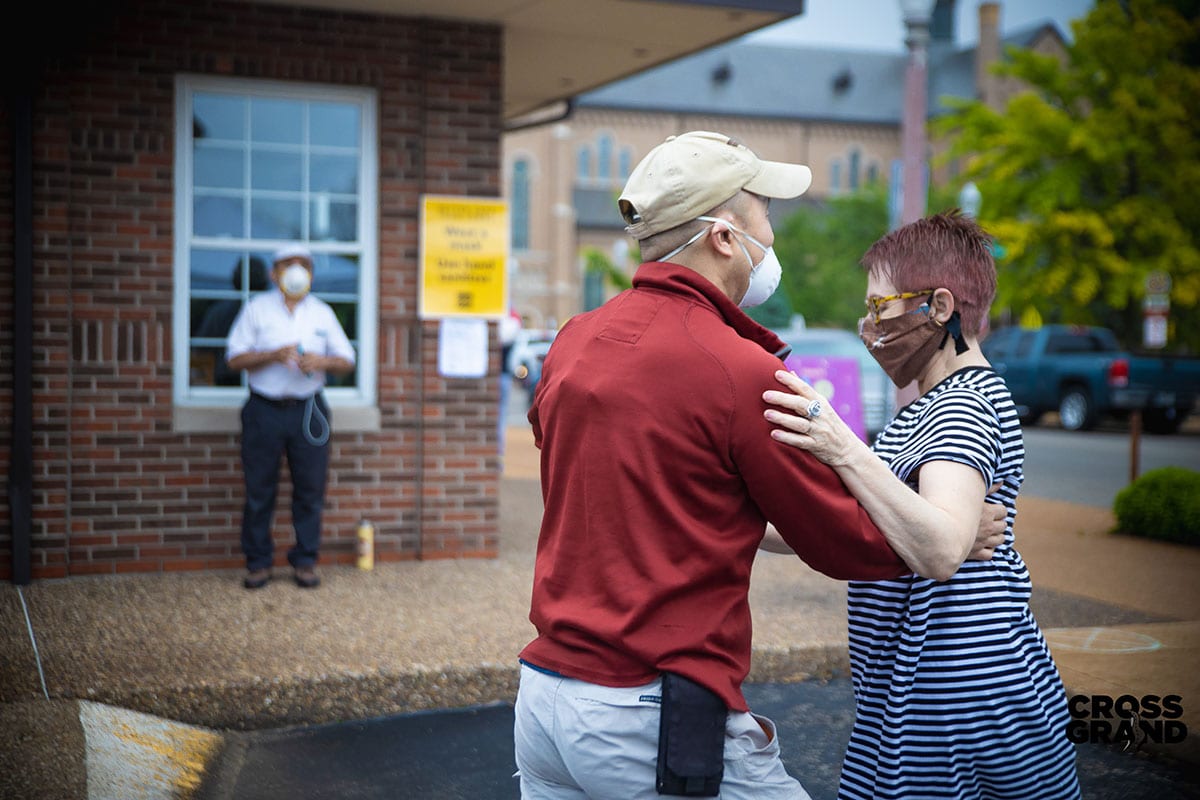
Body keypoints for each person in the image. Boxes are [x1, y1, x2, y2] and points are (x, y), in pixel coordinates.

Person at [512, 132, 1006, 800]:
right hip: (646, 716)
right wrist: (942, 533)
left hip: (542, 703)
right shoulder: (740, 370)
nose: (771, 236)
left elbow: (646, 488)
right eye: (764, 214)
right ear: (724, 236)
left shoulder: (573, 342)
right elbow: (839, 535)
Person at [761, 211, 1081, 799]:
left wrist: (842, 447)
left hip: (961, 700)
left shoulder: (964, 406)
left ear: (938, 306)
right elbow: (854, 520)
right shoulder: (928, 408)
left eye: (880, 307)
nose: (868, 325)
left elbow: (937, 549)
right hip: (915, 695)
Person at [225, 244, 356, 590]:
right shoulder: (257, 309)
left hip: (308, 409)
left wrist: (322, 362)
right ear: (274, 272)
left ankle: (305, 560)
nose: (297, 270)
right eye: (288, 264)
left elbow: (347, 360)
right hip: (263, 409)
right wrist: (271, 355)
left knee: (310, 489)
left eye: (304, 265)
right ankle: (258, 563)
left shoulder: (322, 313)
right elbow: (234, 359)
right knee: (259, 489)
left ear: (311, 273)